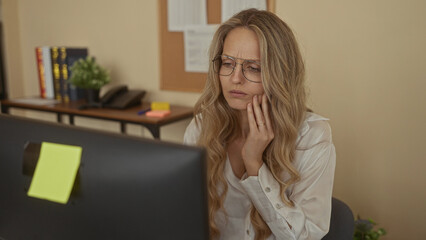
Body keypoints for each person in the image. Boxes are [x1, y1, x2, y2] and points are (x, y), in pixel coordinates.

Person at [184, 8, 336, 240]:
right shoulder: (202, 127)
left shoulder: (312, 137)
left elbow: (304, 237)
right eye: (227, 63)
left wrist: (254, 165)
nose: (236, 78)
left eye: (253, 68)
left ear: (280, 75)